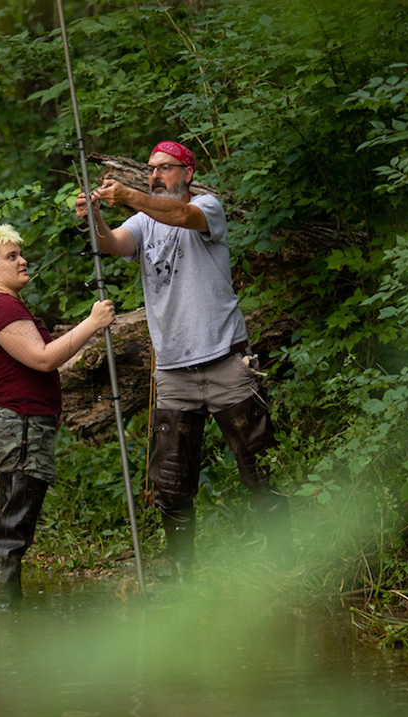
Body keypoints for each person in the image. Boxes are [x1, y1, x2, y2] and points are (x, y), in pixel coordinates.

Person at [74, 140, 291, 580]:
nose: (156, 175)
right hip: (173, 370)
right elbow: (112, 244)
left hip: (225, 361)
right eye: (151, 169)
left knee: (259, 467)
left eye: (166, 169)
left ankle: (286, 561)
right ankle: (180, 576)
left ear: (188, 173)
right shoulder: (142, 221)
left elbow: (181, 216)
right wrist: (93, 217)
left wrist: (131, 194)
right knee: (171, 482)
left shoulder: (208, 207)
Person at [0, 224, 115, 608]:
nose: (22, 260)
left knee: (2, 527)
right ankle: (5, 622)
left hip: (6, 427)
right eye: (11, 256)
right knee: (9, 532)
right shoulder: (0, 306)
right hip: (14, 429)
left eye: (21, 253)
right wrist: (93, 323)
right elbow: (43, 358)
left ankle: (0, 614)